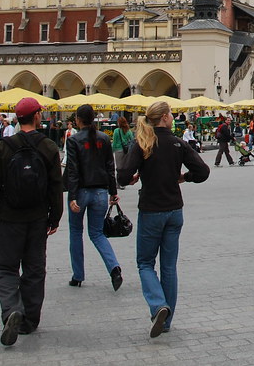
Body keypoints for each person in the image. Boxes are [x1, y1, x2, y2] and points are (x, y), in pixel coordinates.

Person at [116, 101, 210, 338]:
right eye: (170, 114)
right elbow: (203, 171)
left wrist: (133, 178)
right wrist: (185, 177)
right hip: (174, 211)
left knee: (145, 263)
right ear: (165, 118)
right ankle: (166, 322)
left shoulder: (142, 142)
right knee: (169, 266)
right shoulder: (178, 143)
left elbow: (123, 175)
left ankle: (158, 305)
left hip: (151, 210)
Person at [0, 97, 63, 347]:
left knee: (6, 268)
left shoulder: (4, 146)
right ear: (36, 116)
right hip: (37, 219)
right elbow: (56, 187)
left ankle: (11, 310)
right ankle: (29, 320)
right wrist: (54, 217)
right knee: (34, 270)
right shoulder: (48, 147)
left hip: (9, 218)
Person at [66, 104, 123, 291]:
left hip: (81, 192)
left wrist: (72, 196)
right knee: (97, 233)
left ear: (78, 120)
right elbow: (110, 167)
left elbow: (73, 170)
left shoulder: (74, 140)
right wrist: (113, 192)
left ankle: (78, 275)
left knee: (76, 232)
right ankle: (114, 268)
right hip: (100, 191)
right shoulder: (104, 138)